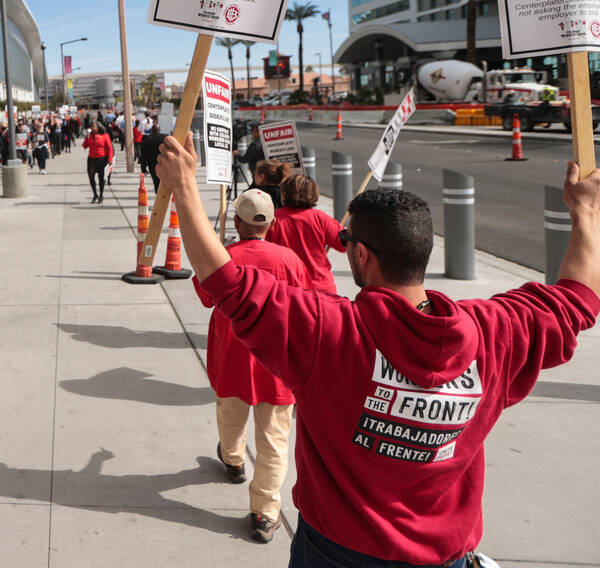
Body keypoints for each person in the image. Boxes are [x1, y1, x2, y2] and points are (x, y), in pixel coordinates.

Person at [156, 133, 600, 568]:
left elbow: (227, 283)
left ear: (362, 256)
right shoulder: (496, 332)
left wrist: (184, 187)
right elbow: (579, 298)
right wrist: (585, 214)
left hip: (334, 551)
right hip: (445, 553)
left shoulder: (327, 332)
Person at [209, 190, 309, 542]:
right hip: (278, 365)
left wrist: (218, 252)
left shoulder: (224, 257)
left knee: (229, 416)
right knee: (274, 441)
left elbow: (206, 295)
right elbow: (306, 307)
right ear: (271, 224)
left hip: (233, 359)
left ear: (237, 222)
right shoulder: (290, 260)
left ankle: (234, 460)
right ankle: (265, 513)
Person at [268, 173, 346, 295]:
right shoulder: (320, 218)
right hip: (320, 289)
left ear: (284, 194)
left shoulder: (273, 219)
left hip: (286, 289)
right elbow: (344, 245)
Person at [82, 122, 114, 203]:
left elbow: (110, 148)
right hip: (91, 159)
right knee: (91, 176)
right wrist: (87, 137)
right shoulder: (90, 136)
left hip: (102, 159)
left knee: (101, 179)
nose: (92, 128)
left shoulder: (105, 135)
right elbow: (84, 146)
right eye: (91, 127)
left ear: (98, 127)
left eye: (93, 126)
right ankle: (95, 194)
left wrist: (110, 159)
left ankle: (101, 195)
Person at [139, 120, 165, 193]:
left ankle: (158, 195)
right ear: (159, 130)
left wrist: (143, 169)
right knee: (164, 181)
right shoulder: (165, 138)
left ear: (151, 131)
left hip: (152, 165)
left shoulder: (146, 142)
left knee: (156, 181)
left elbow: (143, 157)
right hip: (164, 163)